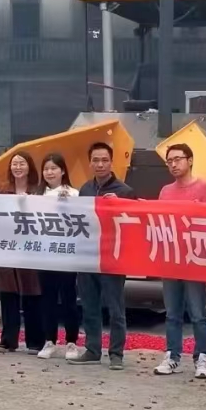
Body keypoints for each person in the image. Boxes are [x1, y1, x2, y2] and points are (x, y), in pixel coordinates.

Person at [154, 142, 206, 379]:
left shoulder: (204, 188)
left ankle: (201, 358)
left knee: (198, 313)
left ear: (190, 160)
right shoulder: (165, 191)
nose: (173, 164)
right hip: (171, 260)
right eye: (169, 161)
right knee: (172, 313)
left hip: (195, 261)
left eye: (177, 159)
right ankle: (172, 355)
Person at [73, 141, 136, 368]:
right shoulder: (84, 190)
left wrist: (119, 206)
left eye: (104, 160)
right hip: (88, 256)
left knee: (115, 308)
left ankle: (116, 353)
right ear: (90, 163)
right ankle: (92, 349)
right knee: (89, 305)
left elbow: (134, 224)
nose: (100, 164)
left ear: (111, 162)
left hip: (113, 258)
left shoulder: (125, 191)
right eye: (96, 160)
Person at [0, 153, 44, 354]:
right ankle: (8, 340)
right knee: (8, 294)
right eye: (14, 164)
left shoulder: (39, 190)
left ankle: (35, 341)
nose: (18, 167)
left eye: (22, 163)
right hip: (7, 247)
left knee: (32, 294)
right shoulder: (3, 189)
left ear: (30, 167)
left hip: (31, 248)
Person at [36, 153, 80, 360]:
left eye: (54, 168)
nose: (49, 172)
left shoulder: (74, 193)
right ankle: (49, 341)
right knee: (48, 300)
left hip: (66, 253)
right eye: (46, 169)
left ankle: (72, 342)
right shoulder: (37, 195)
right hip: (44, 254)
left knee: (69, 299)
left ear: (63, 171)